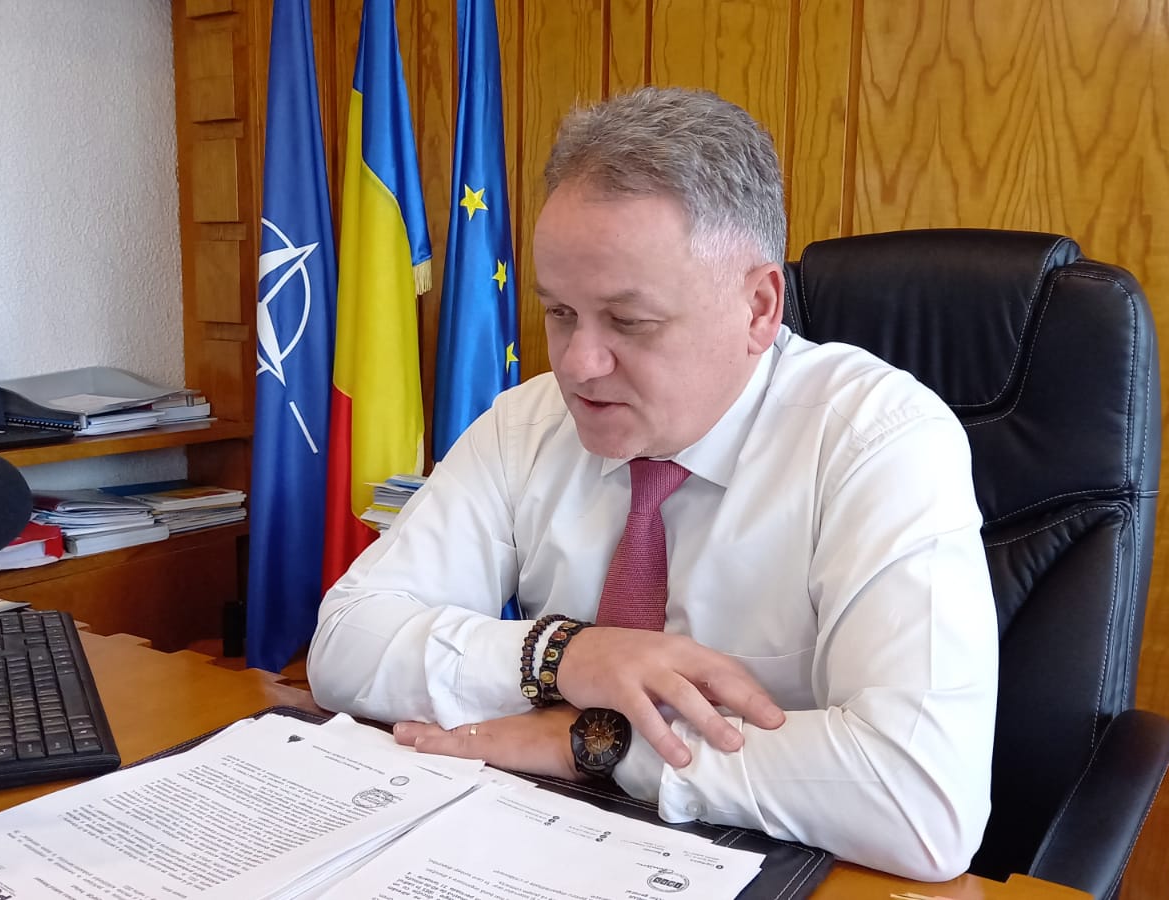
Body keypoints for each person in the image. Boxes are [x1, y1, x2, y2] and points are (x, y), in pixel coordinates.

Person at [306, 86, 999, 882]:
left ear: (758, 308)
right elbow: (344, 642)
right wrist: (561, 656)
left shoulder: (879, 440)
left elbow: (922, 799)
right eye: (560, 313)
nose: (578, 364)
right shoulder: (527, 423)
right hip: (532, 852)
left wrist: (592, 744)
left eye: (629, 322)